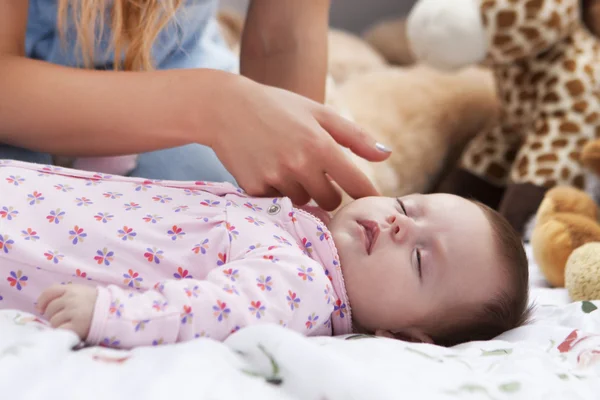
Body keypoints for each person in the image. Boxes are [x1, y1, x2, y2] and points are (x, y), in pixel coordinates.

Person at [0, 160, 530, 348]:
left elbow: (212, 311)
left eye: (420, 258)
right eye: (408, 206)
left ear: (405, 335)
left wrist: (112, 314)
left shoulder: (303, 286)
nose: (397, 225)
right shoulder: (295, 228)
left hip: (21, 244)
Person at [0, 0, 391, 212]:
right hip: (17, 81)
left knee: (217, 206)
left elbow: (284, 36)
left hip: (172, 57)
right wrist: (211, 105)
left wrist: (293, 199)